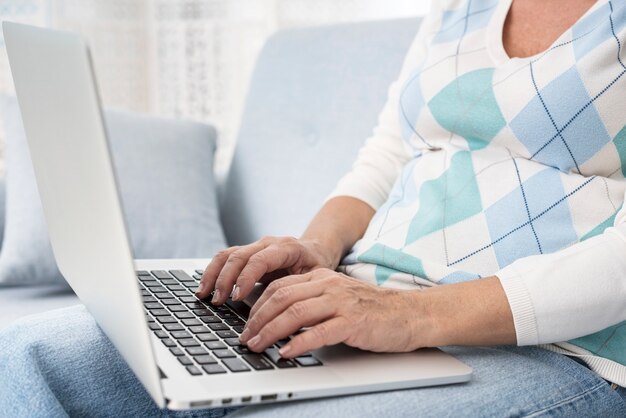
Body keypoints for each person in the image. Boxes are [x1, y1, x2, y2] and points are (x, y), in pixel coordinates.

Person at [1, 0, 625, 416]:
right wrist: (317, 250)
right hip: (365, 304)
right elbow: (390, 149)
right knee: (25, 360)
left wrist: (414, 316)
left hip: (552, 345)